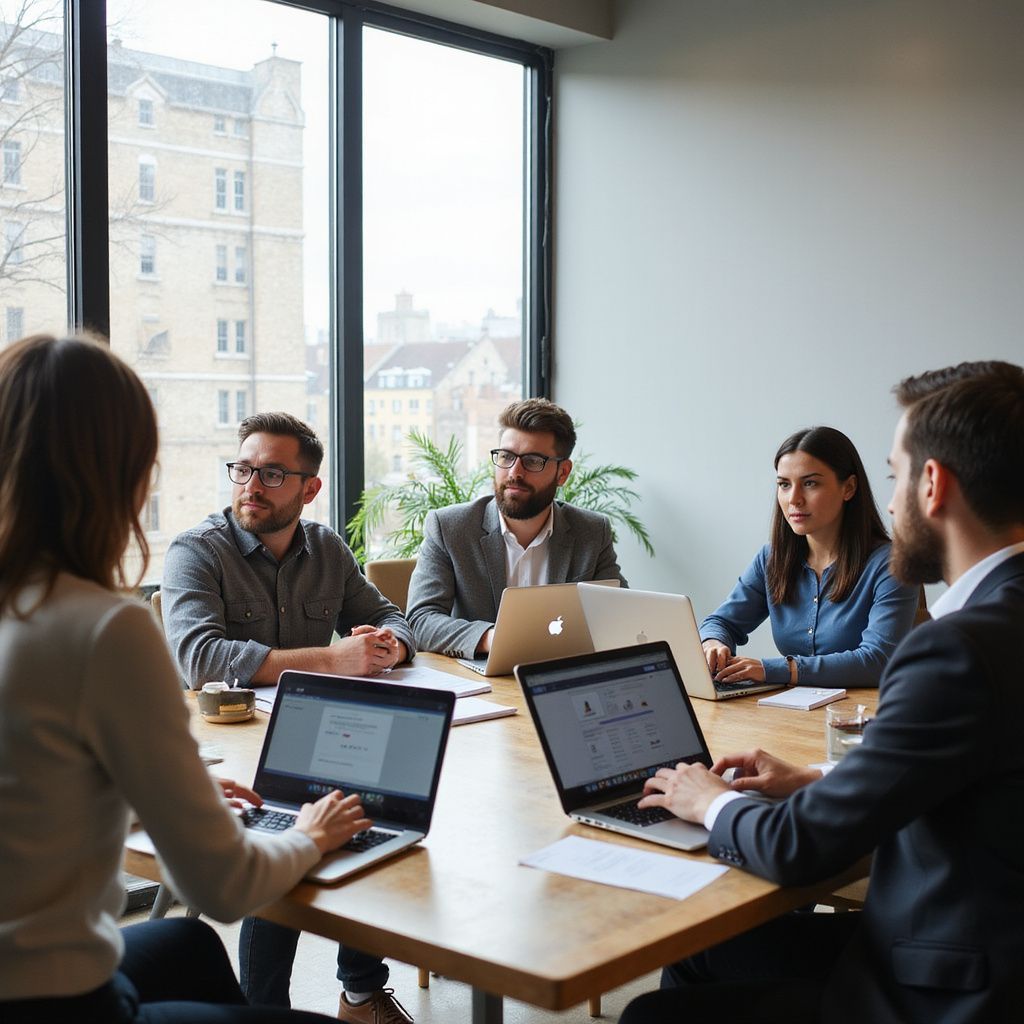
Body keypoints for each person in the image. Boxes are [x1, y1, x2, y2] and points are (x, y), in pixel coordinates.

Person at [623, 360, 1024, 1024]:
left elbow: (798, 849)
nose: (890, 504)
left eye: (895, 478)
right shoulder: (994, 624)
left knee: (650, 1015)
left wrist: (709, 800)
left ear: (932, 485)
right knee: (705, 950)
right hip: (987, 944)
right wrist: (818, 777)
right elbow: (968, 770)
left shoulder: (955, 649)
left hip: (943, 983)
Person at [0, 334, 370, 1024]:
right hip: (51, 999)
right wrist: (313, 834)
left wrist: (151, 798)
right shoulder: (102, 626)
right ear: (117, 470)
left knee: (186, 943)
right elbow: (224, 887)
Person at [161, 412, 415, 1023]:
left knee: (377, 809)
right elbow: (201, 660)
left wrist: (389, 646)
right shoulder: (196, 551)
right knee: (285, 824)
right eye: (243, 469)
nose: (252, 485)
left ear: (310, 488)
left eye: (272, 474)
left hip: (316, 734)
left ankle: (361, 993)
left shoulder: (325, 547)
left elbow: (393, 617)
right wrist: (332, 658)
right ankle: (265, 1010)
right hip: (234, 745)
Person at [699, 426, 918, 689]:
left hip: (866, 711)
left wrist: (773, 670)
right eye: (784, 484)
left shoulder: (891, 563)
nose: (794, 499)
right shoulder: (771, 559)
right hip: (793, 709)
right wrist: (713, 644)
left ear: (849, 488)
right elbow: (720, 622)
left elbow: (878, 660)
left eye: (810, 483)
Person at [406, 397, 626, 657]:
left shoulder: (591, 531)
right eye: (506, 456)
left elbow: (619, 614)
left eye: (533, 461)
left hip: (559, 674)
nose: (514, 472)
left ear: (563, 473)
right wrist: (492, 638)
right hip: (481, 677)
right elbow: (420, 621)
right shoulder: (450, 528)